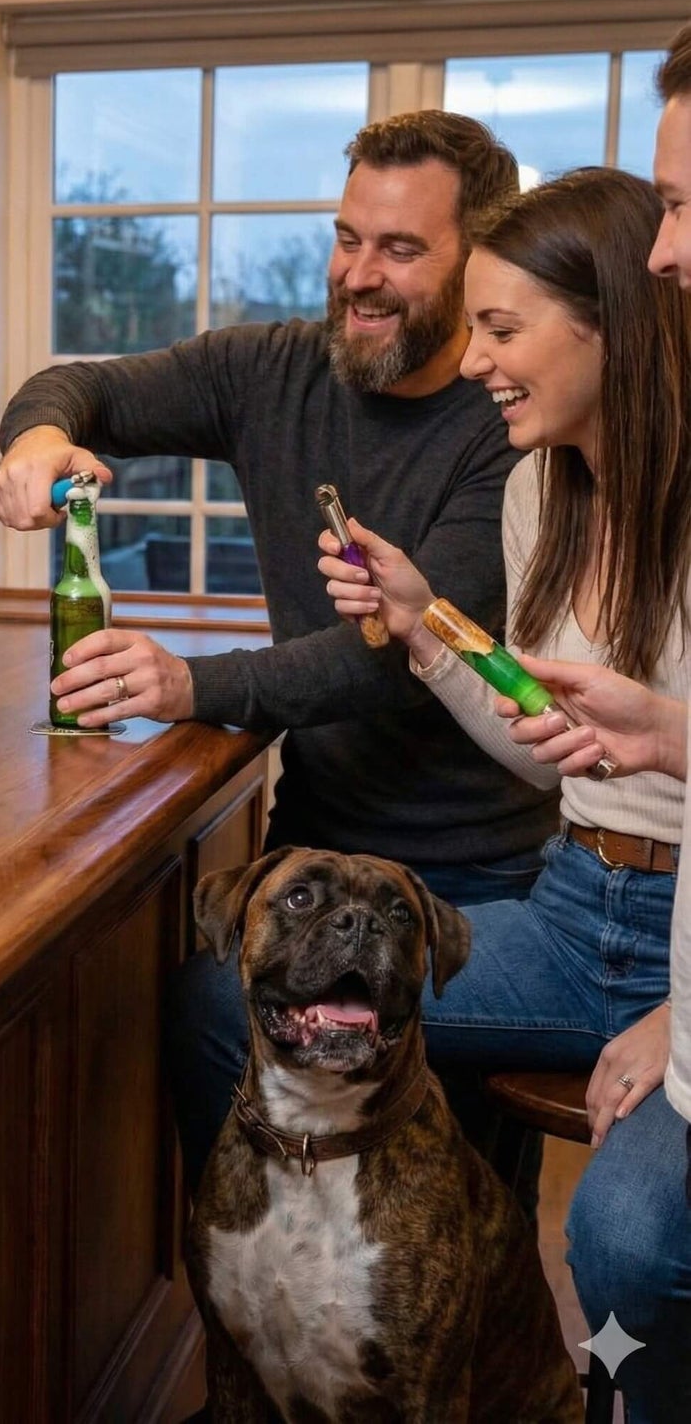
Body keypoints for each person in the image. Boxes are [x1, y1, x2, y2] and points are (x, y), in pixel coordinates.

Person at [0, 110, 555, 1192]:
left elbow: (388, 653)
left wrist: (189, 682)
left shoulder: (505, 422)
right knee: (224, 1054)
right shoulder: (268, 369)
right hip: (320, 842)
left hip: (480, 875)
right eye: (347, 238)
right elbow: (80, 387)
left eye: (399, 249)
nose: (359, 274)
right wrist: (37, 438)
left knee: (460, 1213)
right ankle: (250, 1288)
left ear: (471, 259)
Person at [319, 163, 691, 1424]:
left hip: (676, 938)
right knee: (228, 1004)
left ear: (610, 326)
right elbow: (551, 750)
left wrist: (674, 1015)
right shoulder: (541, 486)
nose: (473, 360)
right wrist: (424, 627)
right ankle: (337, 1318)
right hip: (566, 896)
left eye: (499, 327)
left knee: (620, 1233)